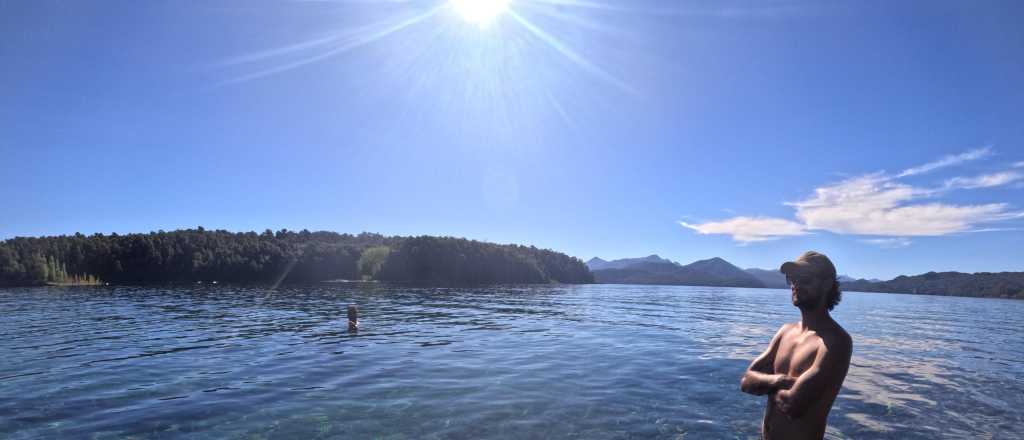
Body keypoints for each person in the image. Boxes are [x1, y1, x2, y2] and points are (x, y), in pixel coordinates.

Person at [740, 251, 853, 440]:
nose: (796, 284)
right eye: (792, 278)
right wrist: (781, 380)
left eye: (805, 278)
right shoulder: (785, 332)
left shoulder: (836, 342)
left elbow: (792, 405)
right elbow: (745, 382)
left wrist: (762, 382)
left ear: (826, 284)